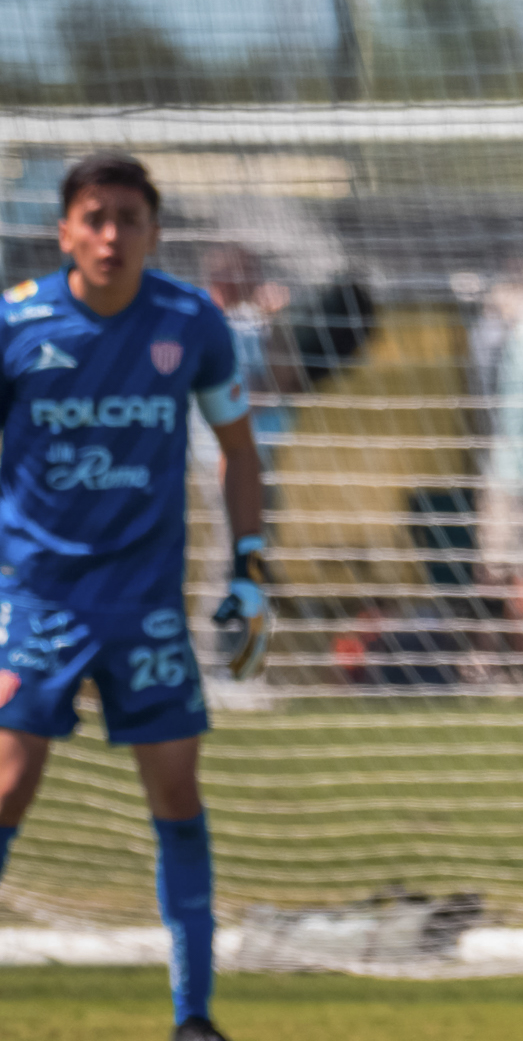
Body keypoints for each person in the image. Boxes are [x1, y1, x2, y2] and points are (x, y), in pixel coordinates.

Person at [0, 154, 269, 1041]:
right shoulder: (16, 320)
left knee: (178, 797)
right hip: (36, 599)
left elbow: (237, 448)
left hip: (147, 607)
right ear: (65, 228)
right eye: (95, 216)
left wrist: (249, 566)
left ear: (154, 233)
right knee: (6, 783)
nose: (112, 234)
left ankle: (194, 1017)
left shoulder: (189, 322)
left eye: (130, 218)